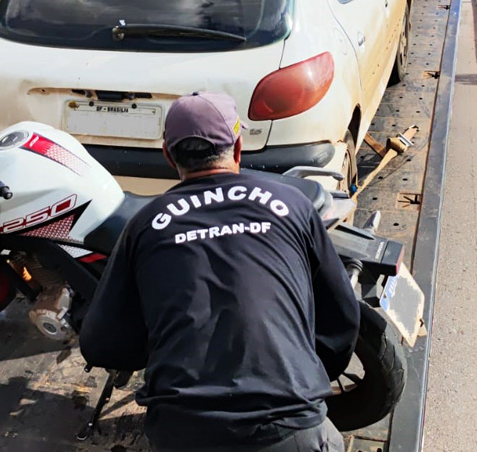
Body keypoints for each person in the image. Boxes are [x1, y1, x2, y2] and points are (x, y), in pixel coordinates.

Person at [80, 92, 360, 451]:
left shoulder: (145, 224)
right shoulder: (293, 204)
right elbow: (341, 317)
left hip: (187, 433)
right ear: (238, 147)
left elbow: (102, 343)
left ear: (169, 156)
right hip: (293, 427)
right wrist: (301, 376)